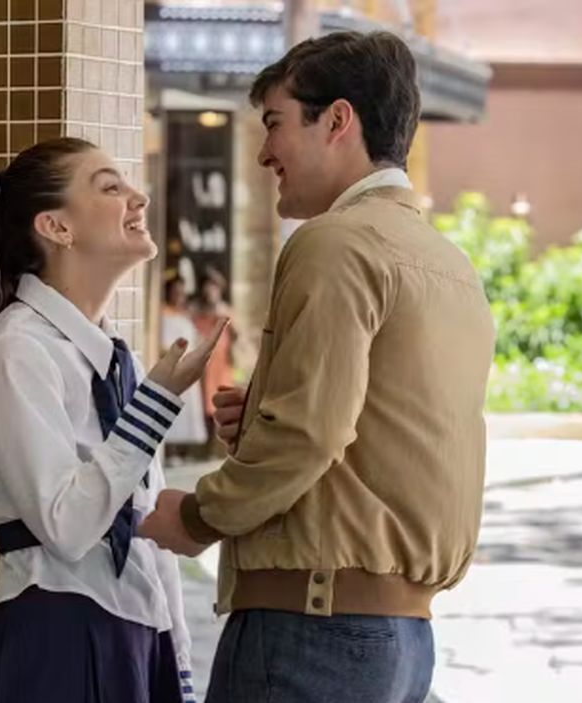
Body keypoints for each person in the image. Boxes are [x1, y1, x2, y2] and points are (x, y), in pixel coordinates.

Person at [139, 31, 495, 702]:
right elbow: (394, 433)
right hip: (402, 641)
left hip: (310, 633)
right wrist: (271, 408)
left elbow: (310, 433)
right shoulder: (447, 261)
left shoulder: (333, 243)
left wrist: (194, 518)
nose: (263, 151)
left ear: (337, 120)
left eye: (274, 123)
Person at [0, 137, 226, 703]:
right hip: (53, 640)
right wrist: (155, 404)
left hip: (136, 640)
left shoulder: (119, 359)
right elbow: (67, 526)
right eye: (110, 187)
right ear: (56, 227)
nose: (138, 197)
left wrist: (179, 669)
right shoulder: (14, 350)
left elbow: (144, 529)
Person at [161, 276, 209, 461]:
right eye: (176, 291)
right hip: (172, 364)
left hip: (188, 362)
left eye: (182, 292)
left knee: (188, 407)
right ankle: (170, 450)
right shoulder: (162, 313)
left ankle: (184, 451)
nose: (179, 295)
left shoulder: (186, 314)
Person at [191, 267, 237, 452]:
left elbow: (237, 334)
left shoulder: (225, 309)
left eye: (214, 286)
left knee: (219, 398)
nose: (210, 290)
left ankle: (216, 448)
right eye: (207, 285)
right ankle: (203, 446)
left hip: (221, 362)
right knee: (203, 401)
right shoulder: (196, 309)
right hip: (204, 360)